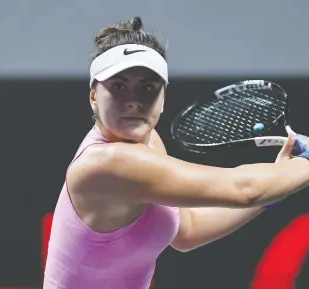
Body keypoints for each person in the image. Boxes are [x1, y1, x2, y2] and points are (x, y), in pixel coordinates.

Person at [43, 16, 309, 289]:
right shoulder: (106, 163)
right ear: (94, 97)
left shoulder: (149, 141)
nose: (134, 101)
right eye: (119, 87)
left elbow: (187, 231)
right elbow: (245, 189)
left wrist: (276, 191)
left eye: (147, 88)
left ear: (162, 98)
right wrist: (296, 169)